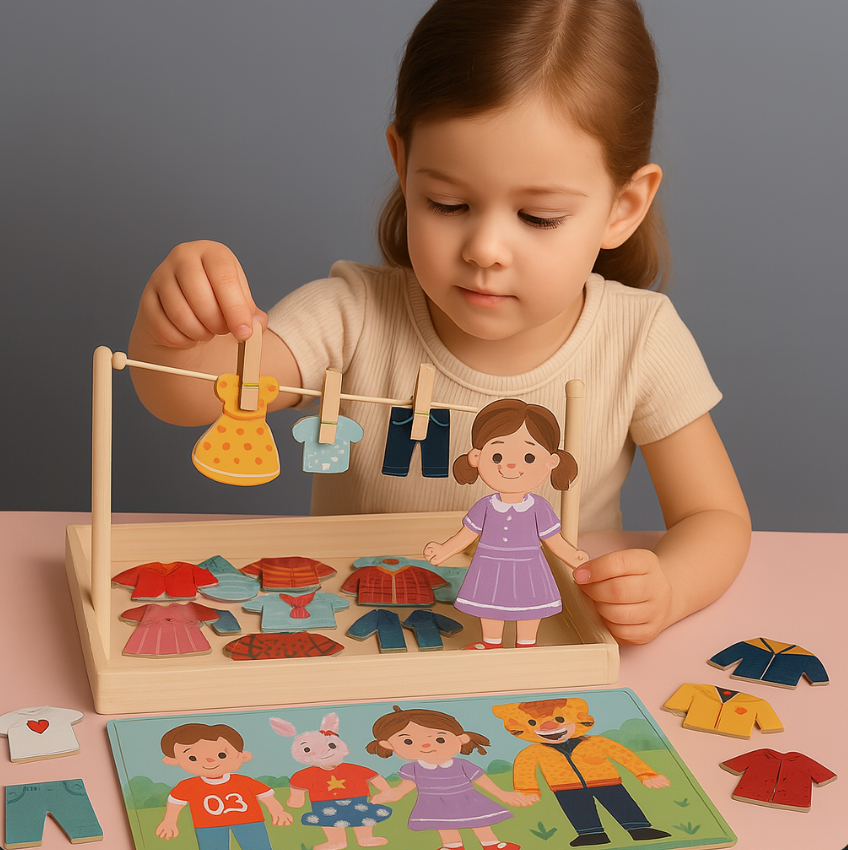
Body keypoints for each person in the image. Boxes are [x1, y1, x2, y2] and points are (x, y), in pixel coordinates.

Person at [128, 0, 751, 645]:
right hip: (364, 646)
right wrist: (171, 332)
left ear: (623, 206)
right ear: (402, 166)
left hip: (535, 652)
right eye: (448, 203)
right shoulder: (348, 319)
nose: (486, 249)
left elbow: (715, 516)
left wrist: (669, 586)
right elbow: (190, 396)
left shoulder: (640, 339)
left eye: (538, 217)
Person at [424, 398, 587, 649]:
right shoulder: (486, 506)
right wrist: (444, 550)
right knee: (490, 605)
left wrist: (572, 556)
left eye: (529, 457)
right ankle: (491, 642)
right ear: (476, 457)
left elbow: (553, 539)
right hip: (490, 564)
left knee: (530, 606)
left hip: (528, 566)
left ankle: (526, 643)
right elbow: (467, 534)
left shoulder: (539, 507)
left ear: (552, 461)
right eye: (497, 455)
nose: (511, 465)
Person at [366, 705, 532, 850]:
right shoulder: (413, 769)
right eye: (408, 742)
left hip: (468, 799)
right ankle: (452, 846)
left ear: (461, 739)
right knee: (444, 825)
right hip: (434, 802)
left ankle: (491, 844)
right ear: (388, 745)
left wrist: (502, 794)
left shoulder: (462, 764)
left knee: (479, 822)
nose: (426, 745)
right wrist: (390, 795)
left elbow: (481, 780)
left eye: (439, 739)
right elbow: (404, 789)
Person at [155, 723, 291, 847]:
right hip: (208, 826)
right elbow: (176, 802)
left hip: (250, 822)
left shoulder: (243, 781)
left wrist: (277, 810)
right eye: (193, 758)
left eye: (221, 755)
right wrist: (169, 822)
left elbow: (265, 794)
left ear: (243, 757)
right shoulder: (188, 786)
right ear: (172, 760)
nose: (209, 761)